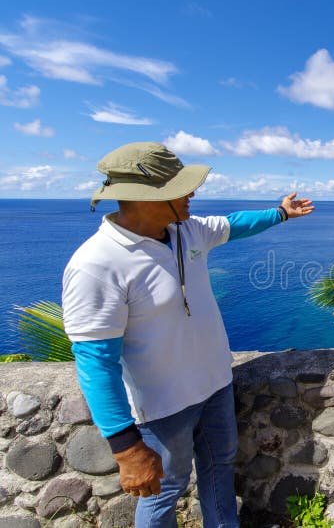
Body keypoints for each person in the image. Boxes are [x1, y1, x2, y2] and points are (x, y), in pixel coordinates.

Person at [61, 142, 314, 527]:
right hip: (161, 407)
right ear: (148, 198)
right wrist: (126, 448)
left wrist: (281, 213)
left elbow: (235, 224)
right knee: (166, 490)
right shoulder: (97, 264)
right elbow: (96, 362)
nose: (192, 193)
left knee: (219, 470)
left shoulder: (186, 231)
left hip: (213, 385)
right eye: (182, 187)